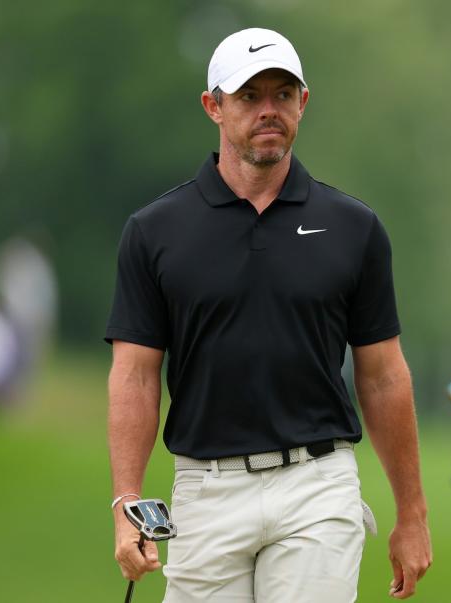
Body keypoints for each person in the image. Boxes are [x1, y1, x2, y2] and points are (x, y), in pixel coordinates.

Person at [106, 28, 432, 602]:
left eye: (282, 95)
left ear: (302, 103)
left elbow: (382, 374)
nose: (268, 110)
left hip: (317, 484)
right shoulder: (154, 231)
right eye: (249, 96)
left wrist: (412, 513)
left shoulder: (354, 228)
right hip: (205, 489)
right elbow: (134, 374)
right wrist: (126, 500)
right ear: (214, 106)